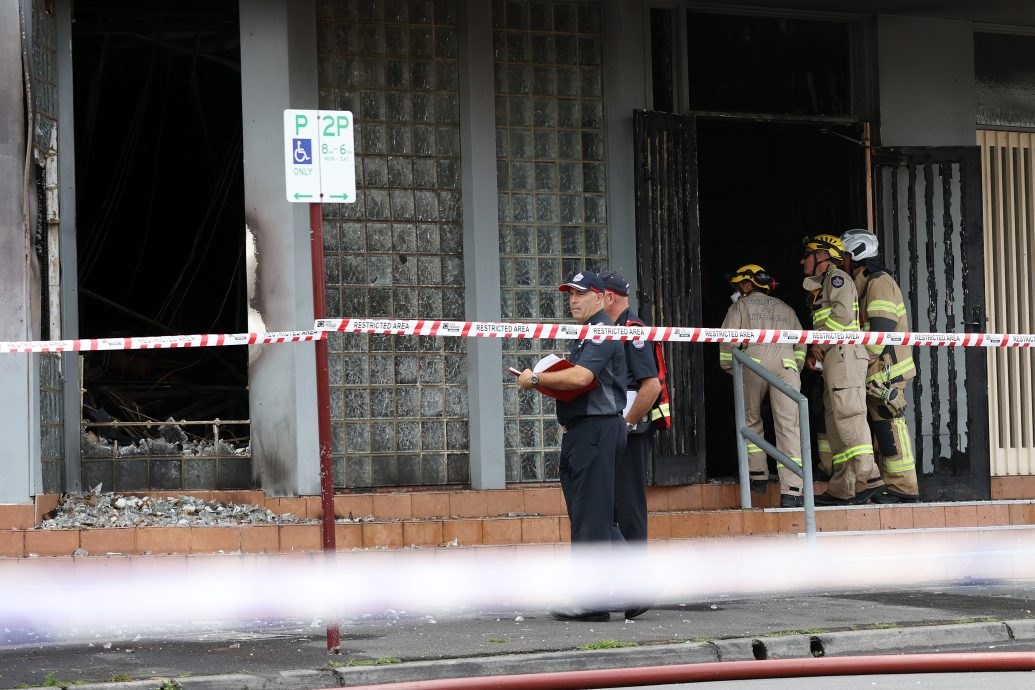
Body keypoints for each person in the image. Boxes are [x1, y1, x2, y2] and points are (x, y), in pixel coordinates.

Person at [516, 269, 627, 622]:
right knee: (587, 516)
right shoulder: (584, 334)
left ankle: (592, 603)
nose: (573, 300)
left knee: (591, 519)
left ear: (600, 297)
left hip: (597, 430)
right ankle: (640, 582)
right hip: (582, 432)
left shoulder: (601, 331)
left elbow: (581, 377)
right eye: (570, 294)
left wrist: (536, 378)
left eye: (580, 293)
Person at [802, 234, 885, 505]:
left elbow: (842, 317)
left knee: (849, 415)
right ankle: (844, 488)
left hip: (843, 354)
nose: (803, 260)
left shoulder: (838, 279)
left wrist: (819, 343)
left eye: (809, 254)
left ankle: (868, 477)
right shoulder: (824, 284)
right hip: (835, 357)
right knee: (836, 420)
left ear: (823, 257)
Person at [839, 229, 920, 503]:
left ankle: (904, 488)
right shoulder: (863, 283)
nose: (842, 262)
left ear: (858, 254)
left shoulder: (879, 282)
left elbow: (882, 329)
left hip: (886, 372)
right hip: (876, 371)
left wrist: (862, 360)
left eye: (845, 256)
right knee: (880, 432)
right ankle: (890, 485)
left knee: (890, 427)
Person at [718, 264, 807, 508]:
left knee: (751, 420)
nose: (737, 290)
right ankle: (792, 490)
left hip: (752, 363)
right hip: (786, 365)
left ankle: (757, 476)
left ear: (748, 284)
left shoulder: (740, 306)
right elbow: (802, 342)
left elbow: (727, 343)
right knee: (789, 425)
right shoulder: (786, 308)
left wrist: (733, 369)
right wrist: (794, 367)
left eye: (739, 285)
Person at [598, 270, 668, 543]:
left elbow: (651, 387)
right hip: (616, 427)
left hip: (631, 430)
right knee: (613, 503)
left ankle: (636, 575)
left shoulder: (633, 331)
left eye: (594, 296)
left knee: (629, 504)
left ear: (609, 298)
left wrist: (625, 424)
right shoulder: (610, 329)